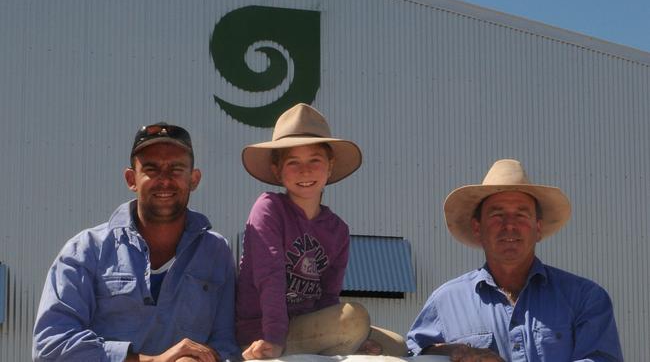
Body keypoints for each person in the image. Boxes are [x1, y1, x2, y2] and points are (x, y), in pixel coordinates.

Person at [33, 123, 240, 361]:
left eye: (176, 169)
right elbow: (51, 346)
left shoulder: (215, 252)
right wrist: (150, 361)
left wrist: (198, 358)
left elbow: (228, 345)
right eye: (151, 169)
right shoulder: (86, 250)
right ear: (131, 179)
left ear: (194, 179)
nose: (164, 181)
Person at [407, 159, 624, 362]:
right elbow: (411, 354)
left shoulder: (585, 299)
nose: (509, 225)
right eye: (497, 215)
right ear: (477, 228)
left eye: (521, 214)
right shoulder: (445, 301)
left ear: (537, 228)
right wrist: (449, 351)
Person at [236, 103, 407, 359]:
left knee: (396, 345)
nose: (305, 170)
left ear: (330, 166)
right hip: (262, 331)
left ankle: (337, 344)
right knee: (354, 316)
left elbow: (327, 296)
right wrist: (273, 339)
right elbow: (268, 276)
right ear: (277, 171)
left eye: (314, 160)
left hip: (308, 327)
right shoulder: (269, 208)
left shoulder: (337, 230)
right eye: (293, 162)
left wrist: (346, 336)